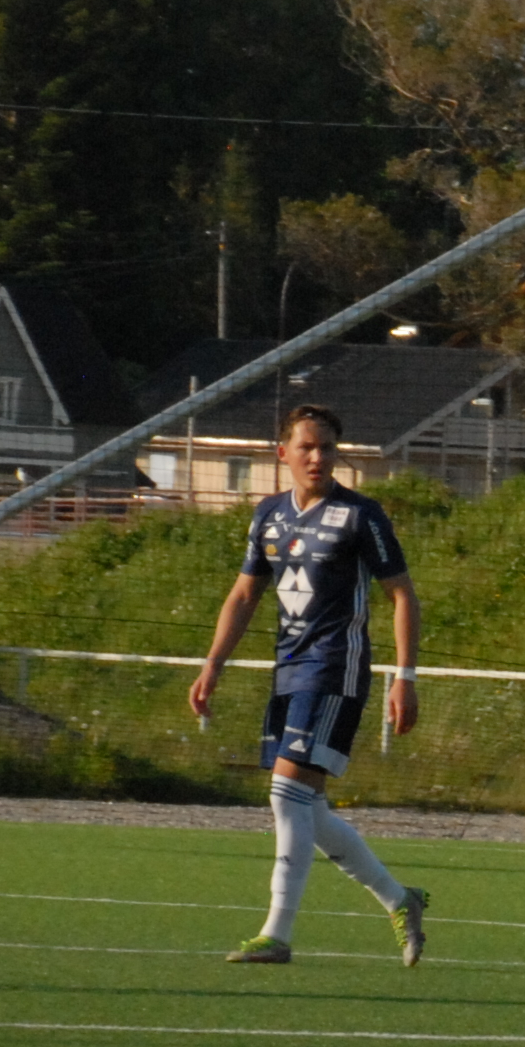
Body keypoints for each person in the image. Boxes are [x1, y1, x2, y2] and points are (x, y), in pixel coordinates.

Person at [187, 404, 429, 968]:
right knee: (307, 808)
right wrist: (213, 664)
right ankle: (400, 899)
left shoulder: (360, 516)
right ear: (283, 453)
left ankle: (277, 933)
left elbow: (402, 595)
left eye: (327, 447)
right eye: (307, 447)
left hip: (335, 669)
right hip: (289, 671)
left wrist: (405, 676)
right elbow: (244, 594)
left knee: (285, 793)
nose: (318, 457)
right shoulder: (268, 515)